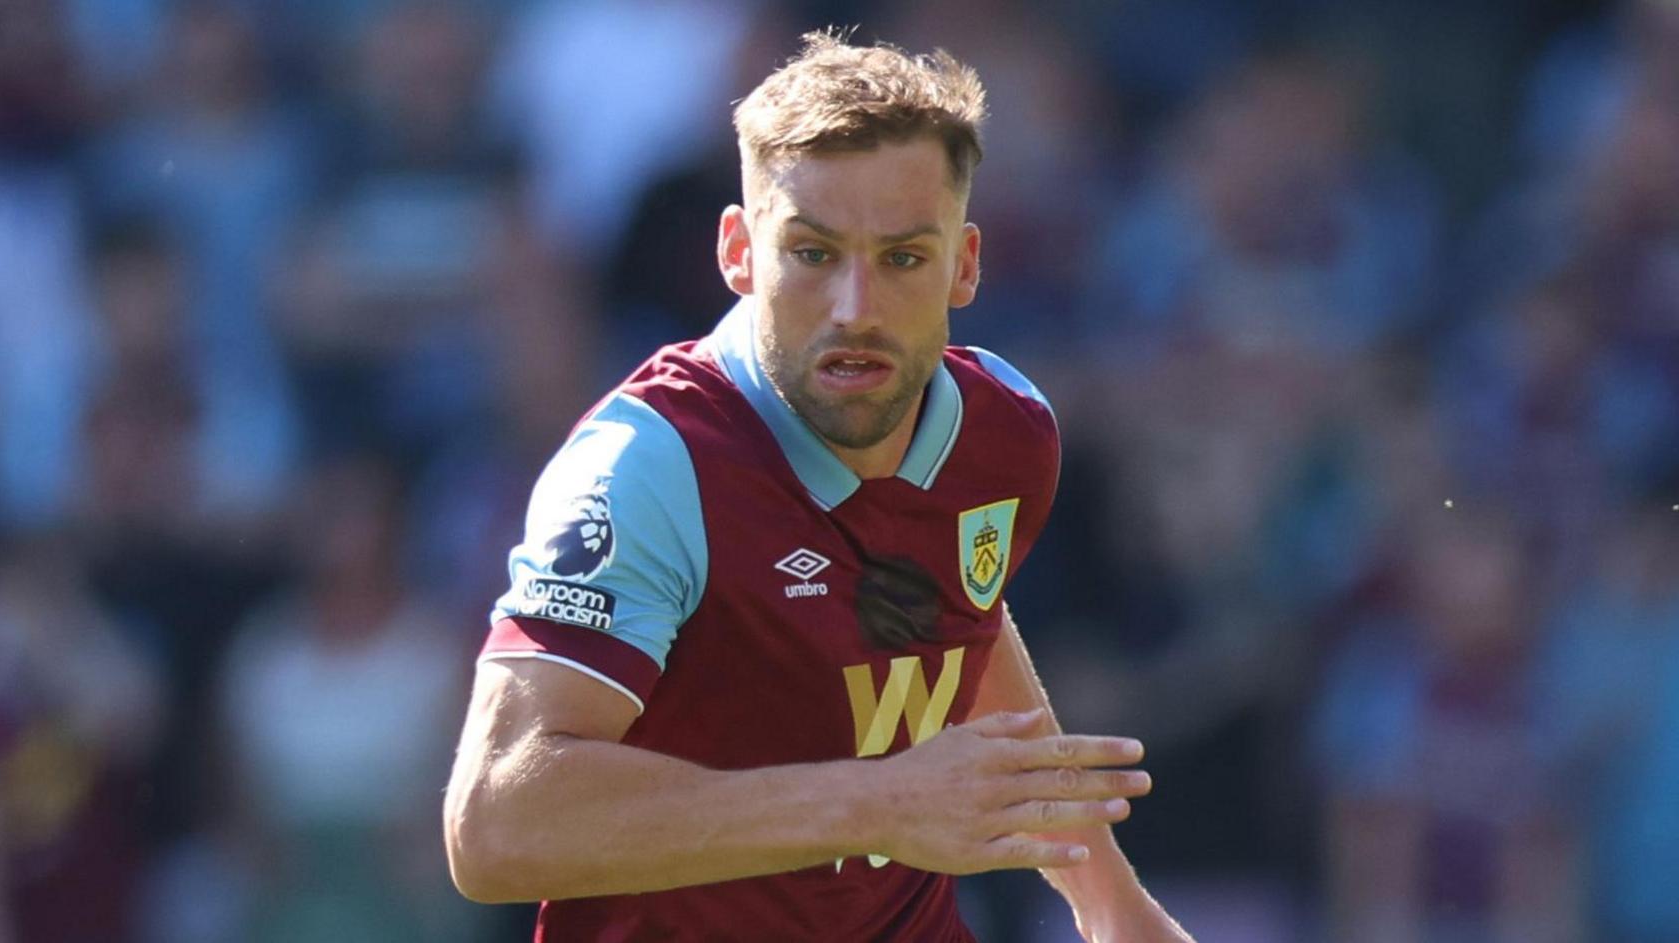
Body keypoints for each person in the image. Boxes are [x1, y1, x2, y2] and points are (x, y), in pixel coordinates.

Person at [443, 31, 1194, 943]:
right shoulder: (650, 465)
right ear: (739, 251)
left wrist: (1111, 903)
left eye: (903, 258)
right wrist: (878, 801)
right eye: (812, 253)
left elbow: (961, 617)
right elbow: (495, 826)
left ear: (964, 264)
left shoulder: (1007, 432)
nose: (855, 308)